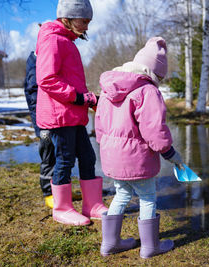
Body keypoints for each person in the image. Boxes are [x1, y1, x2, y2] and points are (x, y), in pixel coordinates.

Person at [95, 37, 183, 258]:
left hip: (112, 156)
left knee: (121, 194)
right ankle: (150, 247)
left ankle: (110, 243)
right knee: (147, 197)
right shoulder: (147, 91)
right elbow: (154, 129)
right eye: (159, 77)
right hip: (137, 158)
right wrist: (169, 152)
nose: (158, 82)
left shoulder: (108, 89)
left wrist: (106, 146)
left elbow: (99, 124)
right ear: (150, 70)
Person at [35, 0, 107, 226]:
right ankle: (62, 209)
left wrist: (90, 99)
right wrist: (79, 98)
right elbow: (47, 79)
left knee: (88, 157)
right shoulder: (53, 40)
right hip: (59, 116)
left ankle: (92, 205)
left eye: (88, 22)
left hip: (73, 114)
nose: (86, 26)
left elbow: (71, 80)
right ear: (67, 18)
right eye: (83, 21)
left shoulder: (67, 41)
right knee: (64, 161)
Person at [24, 51, 55, 209]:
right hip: (43, 121)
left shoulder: (45, 60)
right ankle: (48, 193)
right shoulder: (37, 65)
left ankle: (60, 190)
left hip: (52, 118)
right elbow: (34, 98)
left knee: (60, 155)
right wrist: (42, 124)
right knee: (48, 155)